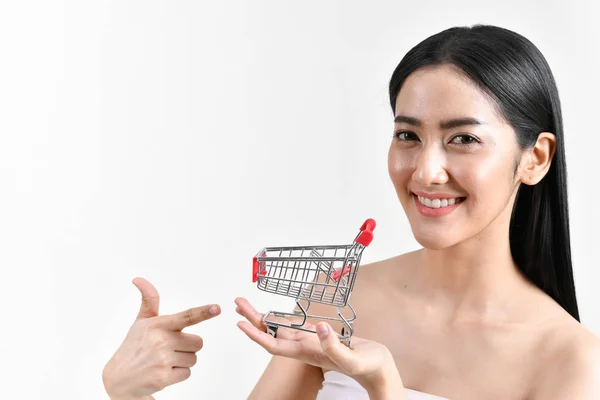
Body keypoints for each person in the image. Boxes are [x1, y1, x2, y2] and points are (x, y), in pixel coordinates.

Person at [102, 24, 600, 399]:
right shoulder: (342, 298)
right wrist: (129, 393)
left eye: (463, 139)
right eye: (408, 136)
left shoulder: (570, 361)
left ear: (534, 158)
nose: (426, 171)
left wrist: (385, 387)